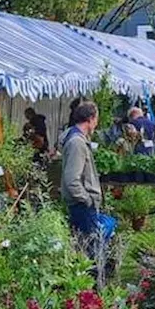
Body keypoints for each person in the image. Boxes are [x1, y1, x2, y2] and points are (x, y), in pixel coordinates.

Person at [60, 102, 104, 260]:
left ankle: (88, 282)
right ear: (90, 119)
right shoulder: (77, 143)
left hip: (81, 204)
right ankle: (92, 283)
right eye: (96, 119)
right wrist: (87, 199)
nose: (96, 124)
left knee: (85, 249)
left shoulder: (76, 138)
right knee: (91, 252)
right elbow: (72, 179)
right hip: (82, 205)